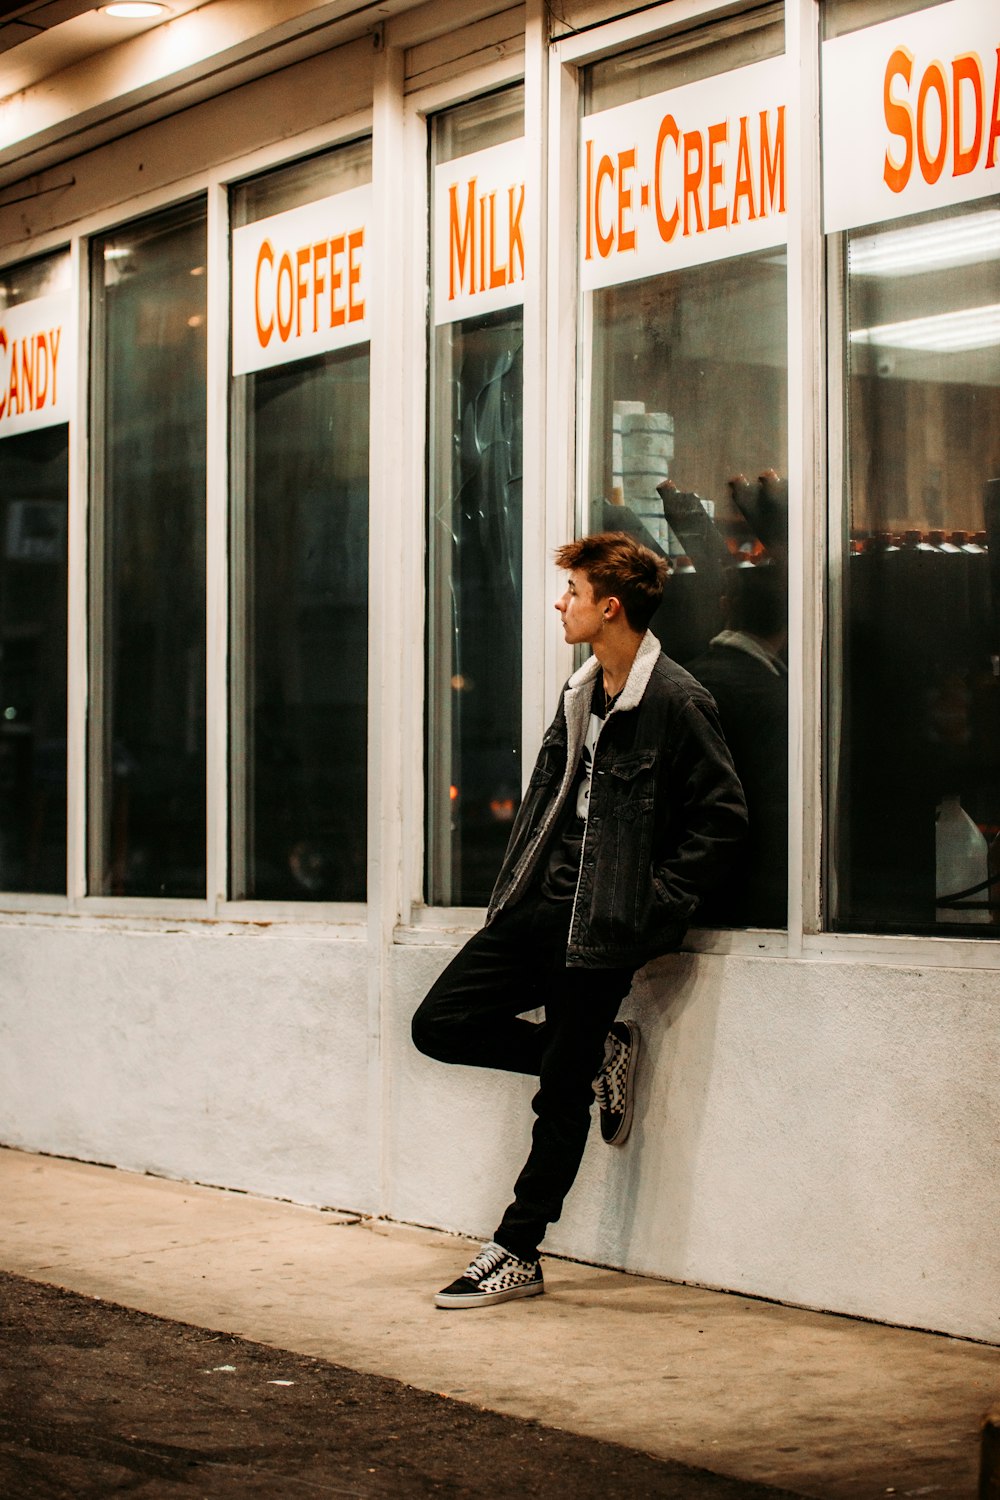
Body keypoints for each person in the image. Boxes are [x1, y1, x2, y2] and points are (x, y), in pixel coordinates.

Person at [411, 532, 747, 1309]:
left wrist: (648, 908)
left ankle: (518, 1250)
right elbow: (551, 804)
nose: (560, 604)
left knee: (557, 1099)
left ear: (610, 607)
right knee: (440, 1024)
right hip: (540, 908)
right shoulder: (581, 692)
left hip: (603, 927)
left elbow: (722, 821)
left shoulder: (677, 701)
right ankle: (595, 1057)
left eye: (572, 592)